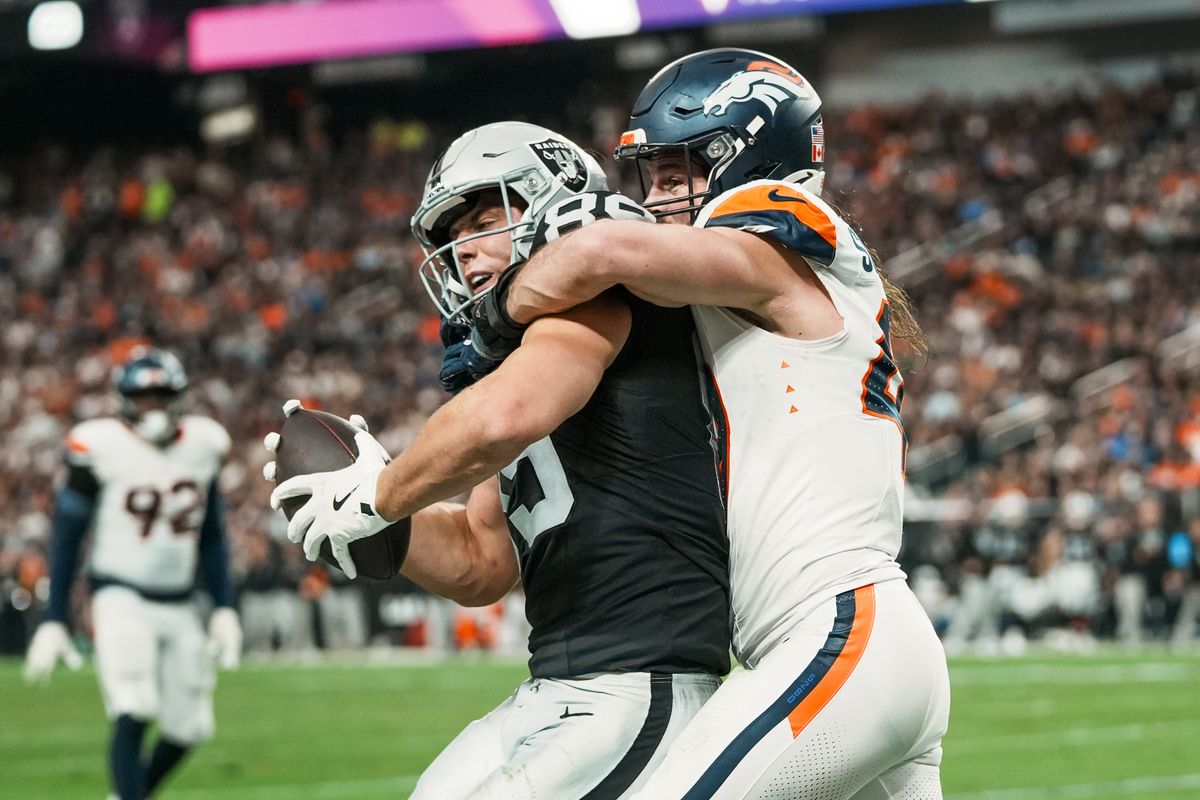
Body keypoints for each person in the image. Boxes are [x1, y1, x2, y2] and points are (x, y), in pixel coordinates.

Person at [462, 49, 951, 799]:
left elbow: (603, 249)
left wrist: (499, 311)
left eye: (671, 174)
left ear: (745, 153)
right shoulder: (750, 301)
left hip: (837, 633)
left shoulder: (785, 230)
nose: (654, 199)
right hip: (856, 643)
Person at [264, 121, 731, 799]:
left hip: (645, 680)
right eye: (453, 236)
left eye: (486, 219)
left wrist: (378, 492)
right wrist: (362, 519)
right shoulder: (508, 361)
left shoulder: (601, 298)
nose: (465, 251)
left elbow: (505, 418)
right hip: (559, 685)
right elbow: (482, 559)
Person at [23, 347, 242, 800]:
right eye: (144, 398)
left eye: (162, 396)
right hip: (119, 593)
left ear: (178, 396)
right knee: (134, 704)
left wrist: (225, 606)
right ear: (124, 400)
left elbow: (212, 534)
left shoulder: (203, 444)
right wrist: (54, 616)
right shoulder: (99, 445)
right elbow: (67, 536)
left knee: (191, 726)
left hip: (180, 600)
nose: (153, 407)